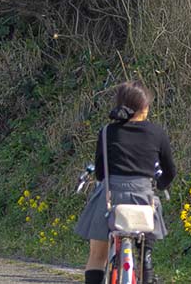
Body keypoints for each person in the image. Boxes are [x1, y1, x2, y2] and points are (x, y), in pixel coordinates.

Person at [74, 80, 176, 284]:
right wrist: (161, 185)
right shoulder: (157, 133)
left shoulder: (107, 132)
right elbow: (170, 171)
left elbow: (101, 173)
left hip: (110, 198)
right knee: (146, 250)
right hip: (143, 198)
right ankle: (145, 263)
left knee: (97, 256)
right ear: (144, 107)